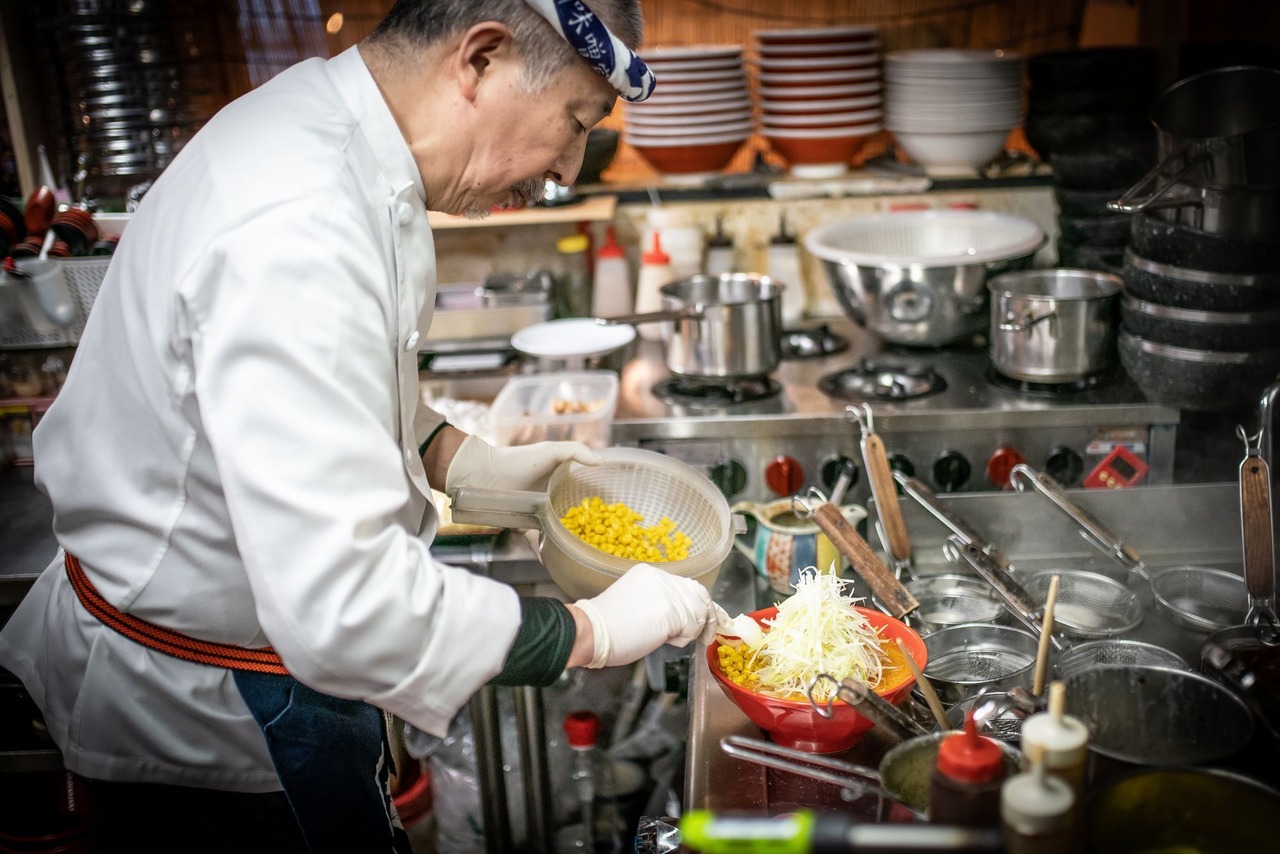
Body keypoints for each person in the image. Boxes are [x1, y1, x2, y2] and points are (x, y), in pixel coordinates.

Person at [0, 1, 728, 850]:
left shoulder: (342, 139)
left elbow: (338, 389)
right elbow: (344, 607)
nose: (568, 168)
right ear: (481, 59)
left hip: (253, 665)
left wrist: (463, 464)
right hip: (210, 710)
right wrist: (592, 632)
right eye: (573, 122)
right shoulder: (297, 225)